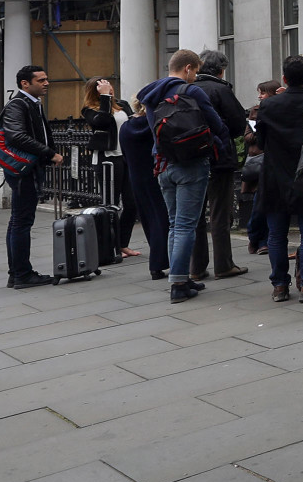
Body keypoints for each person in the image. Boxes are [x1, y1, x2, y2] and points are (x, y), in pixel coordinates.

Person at [138, 49, 231, 304]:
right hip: (191, 164)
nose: (195, 76)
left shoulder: (149, 95)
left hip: (163, 164)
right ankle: (179, 283)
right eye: (195, 71)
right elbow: (216, 123)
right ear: (188, 68)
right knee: (186, 224)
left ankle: (179, 276)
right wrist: (218, 144)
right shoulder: (192, 92)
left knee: (173, 223)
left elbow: (153, 130)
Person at [255, 56, 303, 303]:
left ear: (284, 78)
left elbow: (261, 142)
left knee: (276, 234)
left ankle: (279, 285)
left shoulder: (269, 106)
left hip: (274, 173)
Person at [188, 50, 251, 282]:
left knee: (194, 214)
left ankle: (196, 267)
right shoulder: (221, 89)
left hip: (191, 158)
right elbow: (237, 124)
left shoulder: (187, 88)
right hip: (219, 157)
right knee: (219, 212)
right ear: (221, 69)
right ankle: (223, 264)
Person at [1, 65, 64, 289]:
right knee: (21, 221)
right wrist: (49, 153)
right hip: (22, 172)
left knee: (18, 221)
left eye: (47, 79)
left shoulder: (32, 105)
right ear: (24, 84)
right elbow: (16, 135)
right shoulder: (19, 105)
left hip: (26, 170)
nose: (46, 83)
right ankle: (22, 274)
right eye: (41, 80)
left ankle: (16, 273)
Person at [79, 79, 143, 259]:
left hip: (127, 157)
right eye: (106, 87)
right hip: (107, 159)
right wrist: (105, 98)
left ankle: (123, 244)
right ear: (96, 91)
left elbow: (131, 124)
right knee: (111, 204)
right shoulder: (89, 109)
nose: (111, 89)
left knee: (131, 203)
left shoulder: (121, 105)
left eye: (110, 86)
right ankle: (111, 246)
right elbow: (102, 122)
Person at [118, 104, 168, 280]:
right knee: (163, 218)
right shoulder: (155, 124)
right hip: (157, 174)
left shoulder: (125, 127)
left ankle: (156, 263)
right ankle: (161, 261)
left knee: (148, 218)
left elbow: (124, 154)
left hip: (136, 177)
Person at [247, 79, 283, 254]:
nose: (260, 96)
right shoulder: (255, 111)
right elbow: (248, 136)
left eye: (263, 93)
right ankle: (256, 237)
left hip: (272, 162)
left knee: (266, 204)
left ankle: (262, 240)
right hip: (259, 160)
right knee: (259, 204)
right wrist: (256, 133)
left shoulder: (277, 108)